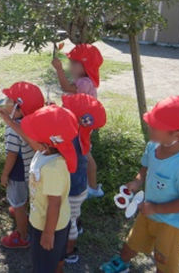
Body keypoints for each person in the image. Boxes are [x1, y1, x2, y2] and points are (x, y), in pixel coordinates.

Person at [100, 95, 179, 273]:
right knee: (132, 242)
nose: (150, 127)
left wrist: (156, 208)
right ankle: (122, 263)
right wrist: (137, 181)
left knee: (164, 259)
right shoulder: (152, 146)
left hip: (172, 223)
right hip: (148, 211)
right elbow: (145, 168)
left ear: (177, 135)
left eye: (156, 126)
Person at [21, 104, 79, 273]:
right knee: (56, 260)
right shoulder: (46, 152)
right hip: (52, 223)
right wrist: (10, 121)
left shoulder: (53, 168)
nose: (30, 136)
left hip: (48, 226)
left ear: (46, 142)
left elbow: (54, 204)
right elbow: (28, 137)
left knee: (44, 266)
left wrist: (48, 234)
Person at [51, 43, 104, 198]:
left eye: (74, 63)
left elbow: (66, 87)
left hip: (81, 126)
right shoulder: (85, 81)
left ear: (85, 65)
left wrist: (59, 70)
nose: (70, 66)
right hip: (83, 123)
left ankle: (92, 188)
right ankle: (91, 186)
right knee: (85, 152)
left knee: (85, 154)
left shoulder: (84, 82)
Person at [0, 82, 44, 249]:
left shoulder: (12, 130)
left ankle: (23, 236)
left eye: (8, 99)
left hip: (17, 173)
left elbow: (11, 155)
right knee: (26, 197)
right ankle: (23, 213)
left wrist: (4, 174)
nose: (5, 101)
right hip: (31, 171)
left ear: (17, 107)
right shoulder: (33, 122)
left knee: (17, 203)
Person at [61, 93, 106, 264]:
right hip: (80, 186)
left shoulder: (71, 138)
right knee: (75, 212)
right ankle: (78, 226)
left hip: (72, 188)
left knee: (69, 220)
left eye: (65, 109)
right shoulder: (82, 133)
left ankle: (70, 250)